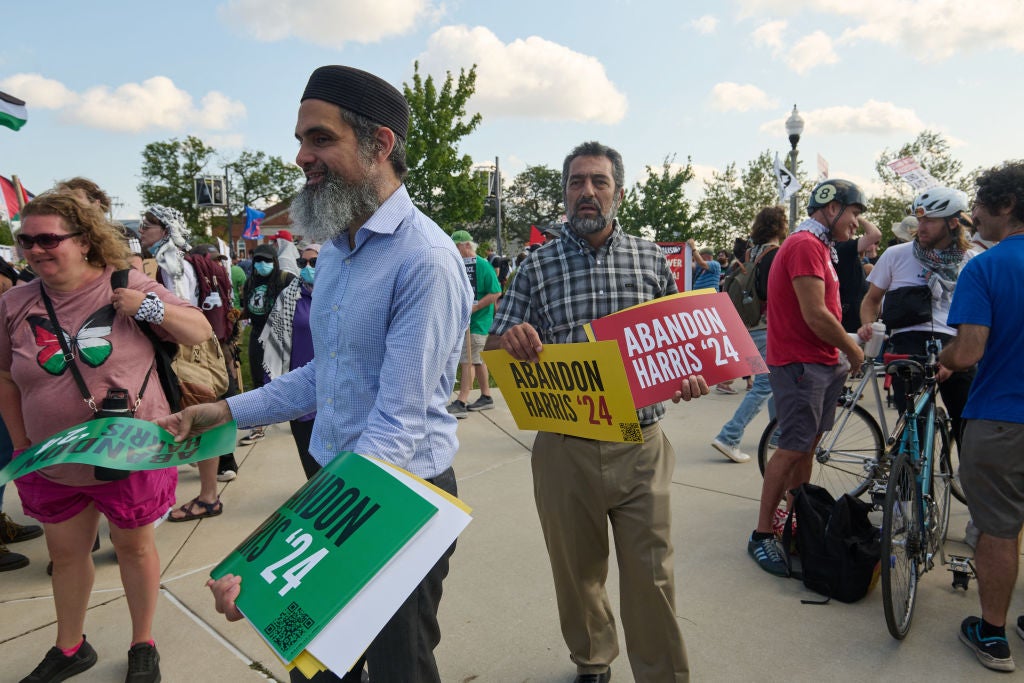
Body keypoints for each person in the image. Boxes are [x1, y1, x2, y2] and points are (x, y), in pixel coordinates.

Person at [157, 64, 470, 683]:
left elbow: (397, 426)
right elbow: (321, 376)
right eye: (301, 140)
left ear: (379, 145)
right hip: (338, 482)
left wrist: (279, 557)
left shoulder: (426, 259)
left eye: (320, 139)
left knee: (399, 668)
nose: (301, 156)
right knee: (318, 665)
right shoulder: (335, 251)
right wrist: (225, 410)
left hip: (401, 495)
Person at [488, 141, 708, 683]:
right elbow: (495, 346)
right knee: (576, 571)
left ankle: (663, 675)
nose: (587, 192)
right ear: (564, 194)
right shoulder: (536, 266)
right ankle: (592, 659)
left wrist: (690, 372)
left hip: (641, 441)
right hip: (565, 445)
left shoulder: (651, 258)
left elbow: (678, 340)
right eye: (576, 182)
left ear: (618, 192)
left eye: (599, 182)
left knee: (652, 575)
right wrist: (510, 337)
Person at [0, 191, 211, 683]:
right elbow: (5, 376)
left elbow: (199, 331)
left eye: (49, 238)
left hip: (127, 450)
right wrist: (21, 443)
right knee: (65, 555)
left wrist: (148, 308)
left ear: (85, 240)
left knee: (134, 548)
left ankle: (143, 642)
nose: (35, 249)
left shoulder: (124, 283)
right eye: (26, 239)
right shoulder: (13, 302)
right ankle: (70, 646)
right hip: (51, 458)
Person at [748, 179, 866, 577]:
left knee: (805, 447)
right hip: (801, 364)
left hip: (819, 361)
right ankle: (762, 534)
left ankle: (797, 515)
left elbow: (822, 313)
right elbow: (815, 314)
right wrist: (852, 350)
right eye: (853, 213)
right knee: (792, 447)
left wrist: (846, 345)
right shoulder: (803, 245)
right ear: (832, 208)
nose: (856, 223)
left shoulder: (818, 246)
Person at [940, 161, 1024, 672]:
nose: (973, 215)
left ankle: (992, 633)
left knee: (998, 528)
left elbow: (968, 351)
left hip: (1001, 418)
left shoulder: (986, 266)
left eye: (979, 203)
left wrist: (943, 359)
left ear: (1006, 205)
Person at [858, 187, 975, 450]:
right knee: (912, 429)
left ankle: (971, 481)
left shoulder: (971, 261)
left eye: (930, 220)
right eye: (919, 219)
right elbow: (871, 301)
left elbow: (975, 319)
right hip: (908, 342)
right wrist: (867, 323)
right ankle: (904, 483)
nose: (921, 226)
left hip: (955, 342)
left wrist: (955, 361)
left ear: (953, 222)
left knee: (968, 426)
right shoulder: (896, 255)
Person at [711, 206, 786, 463]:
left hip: (746, 326)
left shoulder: (749, 253)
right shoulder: (775, 254)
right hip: (767, 327)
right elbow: (771, 292)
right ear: (781, 226)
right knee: (766, 385)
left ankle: (778, 435)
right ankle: (729, 436)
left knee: (775, 383)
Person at [260, 244, 320, 479]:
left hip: (334, 390)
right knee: (311, 462)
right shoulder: (289, 298)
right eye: (302, 263)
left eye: (313, 263)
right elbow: (274, 345)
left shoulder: (339, 295)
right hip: (300, 389)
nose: (307, 268)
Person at [237, 243, 295, 445]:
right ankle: (258, 426)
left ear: (275, 261)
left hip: (282, 335)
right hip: (257, 333)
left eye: (267, 260)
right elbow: (250, 308)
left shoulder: (286, 279)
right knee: (257, 378)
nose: (262, 264)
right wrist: (238, 315)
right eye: (258, 260)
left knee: (288, 376)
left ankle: (300, 416)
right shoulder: (250, 281)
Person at [446, 230, 501, 417]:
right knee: (477, 360)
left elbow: (495, 293)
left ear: (467, 245)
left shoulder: (483, 266)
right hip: (467, 322)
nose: (454, 250)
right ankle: (486, 396)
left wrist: (474, 308)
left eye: (457, 246)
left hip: (479, 322)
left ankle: (462, 400)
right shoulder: (459, 266)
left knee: (467, 360)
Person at [836, 216, 881, 333]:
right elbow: (875, 235)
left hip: (852, 315)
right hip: (851, 319)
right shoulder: (842, 246)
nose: (855, 226)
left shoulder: (841, 247)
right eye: (851, 224)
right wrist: (858, 217)